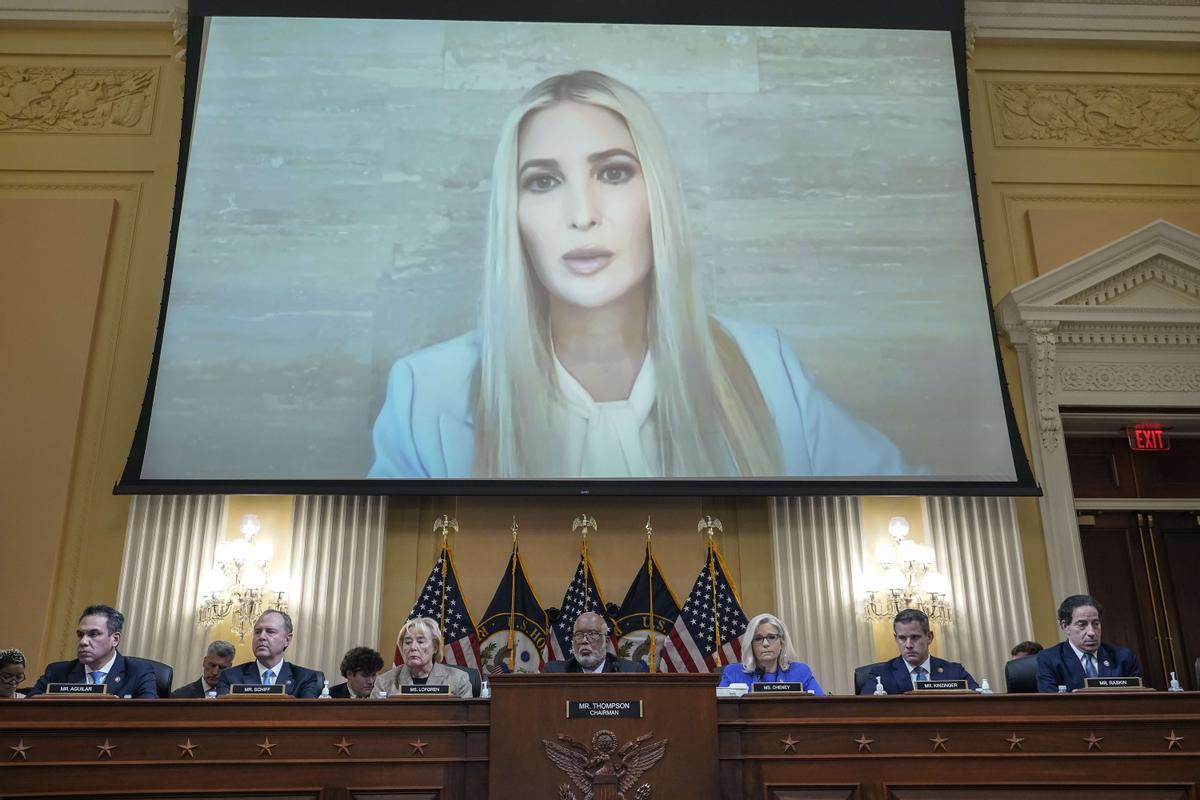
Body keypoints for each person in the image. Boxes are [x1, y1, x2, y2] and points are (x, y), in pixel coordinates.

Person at [370, 70, 912, 480]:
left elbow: (903, 501)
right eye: (542, 182)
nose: (582, 214)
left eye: (613, 173)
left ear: (658, 197)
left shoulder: (768, 368)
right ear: (511, 215)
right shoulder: (424, 393)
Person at [26, 604, 158, 698]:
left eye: (93, 634)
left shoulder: (138, 672)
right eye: (80, 635)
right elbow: (27, 710)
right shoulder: (57, 672)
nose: (83, 642)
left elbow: (148, 715)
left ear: (115, 639)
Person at [858, 608, 978, 694]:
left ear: (929, 637)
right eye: (902, 638)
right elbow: (864, 710)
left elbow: (980, 702)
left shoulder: (954, 672)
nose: (908, 645)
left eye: (915, 637)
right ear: (896, 638)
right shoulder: (881, 675)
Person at [1036, 594, 1141, 692]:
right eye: (1082, 624)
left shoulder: (1123, 658)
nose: (1091, 632)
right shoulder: (1049, 660)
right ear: (1065, 626)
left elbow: (1138, 701)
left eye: (1096, 624)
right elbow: (1051, 705)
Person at [216, 609, 324, 698]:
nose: (262, 637)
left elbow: (306, 716)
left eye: (270, 631)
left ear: (287, 639)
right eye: (257, 632)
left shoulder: (305, 678)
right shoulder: (231, 677)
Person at [718, 613, 824, 693]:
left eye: (771, 637)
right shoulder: (734, 673)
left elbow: (823, 706)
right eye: (758, 638)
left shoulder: (800, 672)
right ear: (751, 645)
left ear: (781, 642)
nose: (765, 644)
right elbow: (719, 707)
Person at [372, 617, 472, 698]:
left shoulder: (458, 679)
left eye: (420, 641)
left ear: (435, 647)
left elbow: (467, 718)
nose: (413, 647)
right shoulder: (384, 682)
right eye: (408, 642)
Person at [544, 611, 647, 674]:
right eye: (579, 635)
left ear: (606, 641)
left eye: (592, 634)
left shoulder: (629, 671)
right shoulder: (556, 672)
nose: (584, 640)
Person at [170, 640, 235, 698]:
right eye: (212, 665)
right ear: (204, 662)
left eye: (221, 668)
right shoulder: (180, 696)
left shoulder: (235, 697)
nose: (215, 672)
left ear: (230, 668)